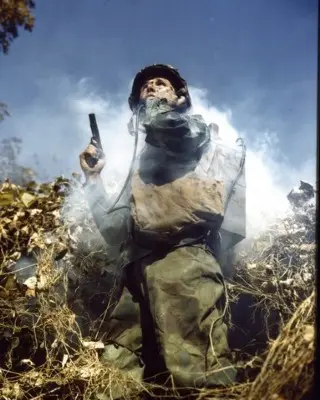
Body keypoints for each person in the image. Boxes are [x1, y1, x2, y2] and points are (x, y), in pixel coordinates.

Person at [79, 64, 245, 395]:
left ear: (180, 96)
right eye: (145, 87)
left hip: (185, 261)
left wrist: (164, 107)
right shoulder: (141, 164)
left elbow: (166, 126)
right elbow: (116, 231)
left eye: (161, 84)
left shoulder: (191, 131)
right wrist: (93, 179)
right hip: (138, 275)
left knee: (197, 377)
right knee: (114, 377)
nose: (151, 89)